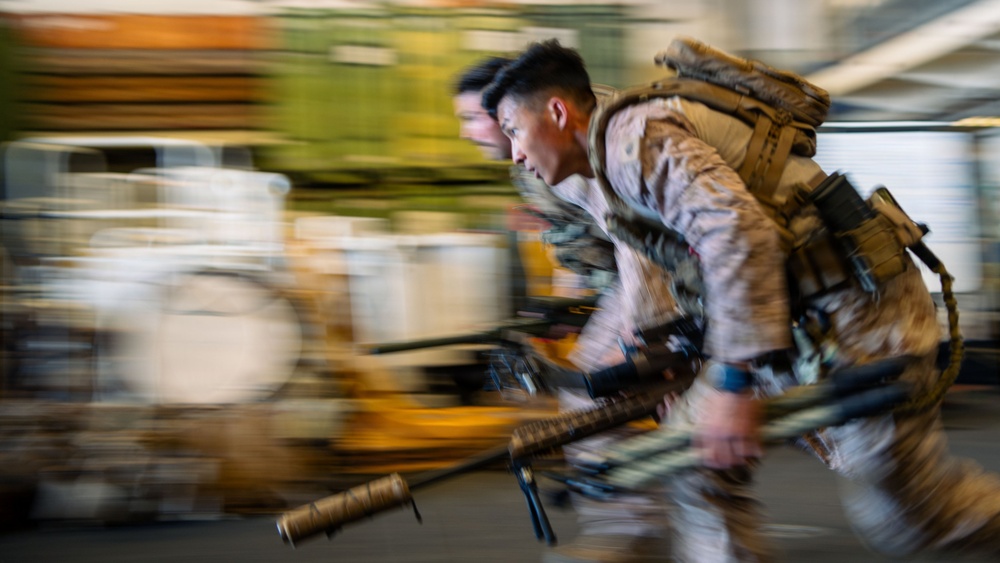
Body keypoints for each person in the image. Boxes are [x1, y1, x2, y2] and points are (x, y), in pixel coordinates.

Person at [482, 38, 1000, 562]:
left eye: (514, 131)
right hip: (796, 319)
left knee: (915, 519)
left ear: (557, 110)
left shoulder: (633, 140)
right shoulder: (598, 165)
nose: (516, 152)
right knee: (692, 459)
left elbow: (737, 234)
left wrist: (730, 383)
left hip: (861, 314)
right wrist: (683, 360)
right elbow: (693, 265)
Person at [454, 58, 681, 563]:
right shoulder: (533, 163)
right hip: (633, 278)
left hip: (660, 275)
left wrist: (635, 338)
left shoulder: (579, 144)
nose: (470, 132)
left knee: (592, 392)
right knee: (614, 391)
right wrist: (562, 307)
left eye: (477, 118)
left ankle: (631, 531)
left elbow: (635, 243)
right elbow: (576, 238)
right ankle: (643, 522)